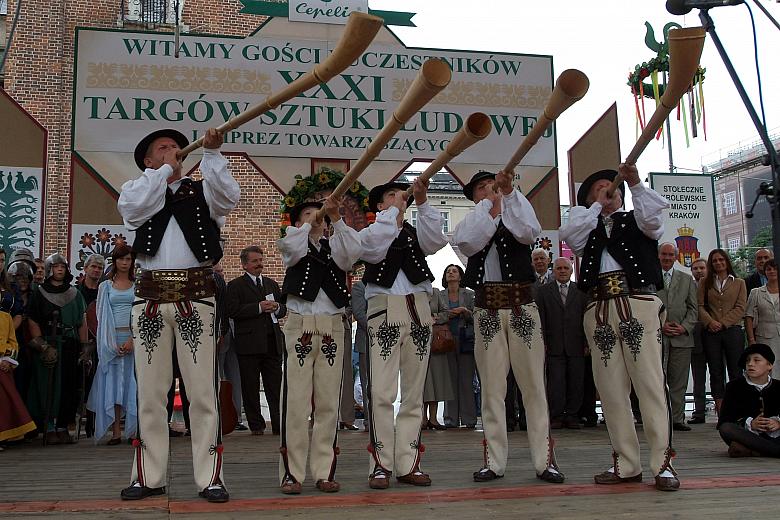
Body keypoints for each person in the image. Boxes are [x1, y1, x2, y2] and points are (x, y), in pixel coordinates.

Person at [117, 127, 239, 503]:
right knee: (151, 392)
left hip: (196, 296)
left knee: (202, 392)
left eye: (176, 148)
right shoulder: (138, 189)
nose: (173, 152)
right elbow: (133, 210)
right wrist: (160, 174)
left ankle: (210, 478)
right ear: (148, 161)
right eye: (163, 148)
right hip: (151, 297)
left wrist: (214, 155)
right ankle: (147, 476)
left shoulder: (204, 192)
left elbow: (229, 198)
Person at [560, 164, 678, 491]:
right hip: (599, 307)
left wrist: (636, 183)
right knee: (611, 390)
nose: (606, 191)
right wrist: (597, 204)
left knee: (650, 384)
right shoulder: (586, 225)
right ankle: (626, 463)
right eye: (598, 188)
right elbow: (569, 236)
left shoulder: (637, 217)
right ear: (588, 198)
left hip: (637, 301)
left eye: (609, 187)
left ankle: (663, 463)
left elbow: (654, 220)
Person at [453, 169, 563, 484]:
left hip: (520, 305)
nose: (490, 191)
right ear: (474, 197)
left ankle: (545, 461)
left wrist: (510, 196)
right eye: (482, 189)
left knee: (532, 386)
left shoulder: (517, 208)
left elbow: (529, 232)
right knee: (491, 388)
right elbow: (468, 243)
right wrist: (489, 210)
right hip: (487, 306)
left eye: (493, 186)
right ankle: (494, 461)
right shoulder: (471, 221)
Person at [360, 178, 447, 489]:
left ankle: (409, 461)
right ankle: (380, 464)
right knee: (382, 392)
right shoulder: (372, 232)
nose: (401, 198)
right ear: (380, 206)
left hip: (418, 308)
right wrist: (390, 216)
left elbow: (436, 241)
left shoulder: (415, 232)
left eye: (402, 194)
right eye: (392, 195)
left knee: (413, 394)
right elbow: (371, 249)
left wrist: (422, 202)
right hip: (385, 308)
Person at [276, 197, 361, 494]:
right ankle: (292, 473)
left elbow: (351, 256)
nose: (316, 219)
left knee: (328, 404)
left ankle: (324, 471)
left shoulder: (335, 245)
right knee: (297, 403)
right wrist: (307, 226)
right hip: (301, 324)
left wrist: (336, 219)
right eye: (308, 215)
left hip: (332, 326)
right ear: (298, 222)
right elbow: (291, 251)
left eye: (319, 216)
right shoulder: (293, 240)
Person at [26, 253, 89, 445]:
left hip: (69, 344)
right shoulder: (39, 293)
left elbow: (81, 321)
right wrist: (42, 346)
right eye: (55, 266)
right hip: (49, 343)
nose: (59, 269)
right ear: (48, 269)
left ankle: (63, 426)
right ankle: (49, 426)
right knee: (48, 387)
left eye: (63, 266)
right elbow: (33, 320)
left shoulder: (74, 293)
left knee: (68, 386)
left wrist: (85, 346)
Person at [226, 245, 286, 436]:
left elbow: (284, 309)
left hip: (272, 343)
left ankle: (278, 424)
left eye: (260, 260)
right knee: (250, 387)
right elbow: (233, 311)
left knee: (275, 387)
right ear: (244, 265)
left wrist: (277, 307)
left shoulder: (271, 284)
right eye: (254, 261)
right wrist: (258, 308)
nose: (259, 264)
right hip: (249, 345)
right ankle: (256, 425)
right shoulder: (235, 286)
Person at [86, 244, 138, 444]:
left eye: (128, 259)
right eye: (121, 259)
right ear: (115, 261)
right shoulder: (105, 286)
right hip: (111, 340)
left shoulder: (138, 284)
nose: (125, 263)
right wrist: (109, 343)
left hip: (134, 339)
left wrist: (133, 339)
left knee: (132, 384)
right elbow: (101, 317)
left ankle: (132, 429)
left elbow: (142, 314)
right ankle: (116, 431)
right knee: (113, 385)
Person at [536, 257, 588, 429]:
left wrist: (587, 343)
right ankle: (556, 416)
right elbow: (541, 318)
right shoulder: (543, 292)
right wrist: (541, 341)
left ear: (571, 271)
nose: (563, 271)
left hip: (577, 344)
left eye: (566, 268)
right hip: (553, 344)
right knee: (555, 383)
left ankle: (572, 415)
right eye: (559, 268)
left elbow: (586, 319)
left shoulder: (581, 291)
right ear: (554, 270)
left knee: (576, 381)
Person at [698, 248, 747, 416]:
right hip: (711, 333)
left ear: (726, 261)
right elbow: (700, 306)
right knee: (716, 371)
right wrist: (710, 322)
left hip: (732, 331)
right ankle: (721, 413)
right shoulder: (705, 282)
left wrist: (723, 323)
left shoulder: (739, 282)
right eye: (714, 261)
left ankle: (737, 411)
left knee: (736, 371)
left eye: (721, 260)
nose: (718, 263)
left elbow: (741, 308)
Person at [657, 243, 698, 431]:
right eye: (663, 254)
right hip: (657, 336)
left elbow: (693, 309)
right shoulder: (649, 278)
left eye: (670, 255)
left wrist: (683, 327)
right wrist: (660, 325)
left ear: (676, 256)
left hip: (682, 338)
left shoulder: (687, 279)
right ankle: (658, 419)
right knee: (656, 380)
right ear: (658, 256)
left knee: (679, 380)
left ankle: (677, 418)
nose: (666, 258)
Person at [717, 343, 780, 457]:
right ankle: (773, 451)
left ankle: (755, 451)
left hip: (776, 435)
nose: (750, 364)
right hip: (748, 436)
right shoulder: (734, 386)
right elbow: (724, 420)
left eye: (756, 360)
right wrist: (750, 423)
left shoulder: (778, 386)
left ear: (769, 365)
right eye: (748, 361)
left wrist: (778, 423)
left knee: (738, 448)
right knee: (726, 428)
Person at [436, 264, 477, 430]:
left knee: (466, 379)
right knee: (450, 380)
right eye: (448, 271)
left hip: (466, 339)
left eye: (454, 271)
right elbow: (434, 316)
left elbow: (477, 316)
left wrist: (464, 311)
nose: (451, 273)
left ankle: (469, 419)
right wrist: (448, 314)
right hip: (446, 340)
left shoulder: (470, 294)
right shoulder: (439, 295)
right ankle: (450, 419)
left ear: (461, 276)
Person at [214, 262, 245, 431]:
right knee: (218, 377)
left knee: (235, 377)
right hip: (218, 336)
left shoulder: (228, 288)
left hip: (232, 336)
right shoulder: (211, 290)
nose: (220, 274)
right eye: (217, 272)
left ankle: (237, 417)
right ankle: (221, 416)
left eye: (221, 271)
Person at [77, 253, 105, 438]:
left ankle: (95, 425)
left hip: (103, 342)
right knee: (83, 384)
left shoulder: (104, 290)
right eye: (93, 267)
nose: (96, 270)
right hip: (83, 343)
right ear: (85, 268)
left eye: (99, 268)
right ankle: (83, 420)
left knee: (100, 382)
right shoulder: (76, 292)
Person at [0, 309, 37, 445]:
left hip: (3, 365)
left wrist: (8, 360)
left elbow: (13, 343)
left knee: (4, 402)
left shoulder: (5, 317)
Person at [424, 287, 456, 430]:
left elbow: (446, 312)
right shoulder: (410, 292)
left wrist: (434, 317)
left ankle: (433, 418)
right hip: (417, 340)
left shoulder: (435, 292)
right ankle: (422, 419)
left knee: (436, 379)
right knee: (422, 381)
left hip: (436, 342)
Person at [745, 259, 780, 379]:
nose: (772, 271)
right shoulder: (756, 292)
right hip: (765, 337)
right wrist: (751, 339)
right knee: (768, 368)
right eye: (768, 269)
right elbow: (748, 316)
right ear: (764, 272)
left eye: (775, 268)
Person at [689, 257, 709, 424]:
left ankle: (721, 408)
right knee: (698, 376)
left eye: (702, 268)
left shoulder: (714, 286)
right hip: (696, 335)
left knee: (718, 374)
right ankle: (699, 411)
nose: (699, 271)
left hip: (714, 334)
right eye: (695, 268)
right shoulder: (689, 286)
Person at [351, 280, 370, 432]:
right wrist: (376, 329)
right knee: (366, 382)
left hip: (386, 341)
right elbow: (358, 312)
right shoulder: (360, 287)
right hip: (367, 340)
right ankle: (369, 420)